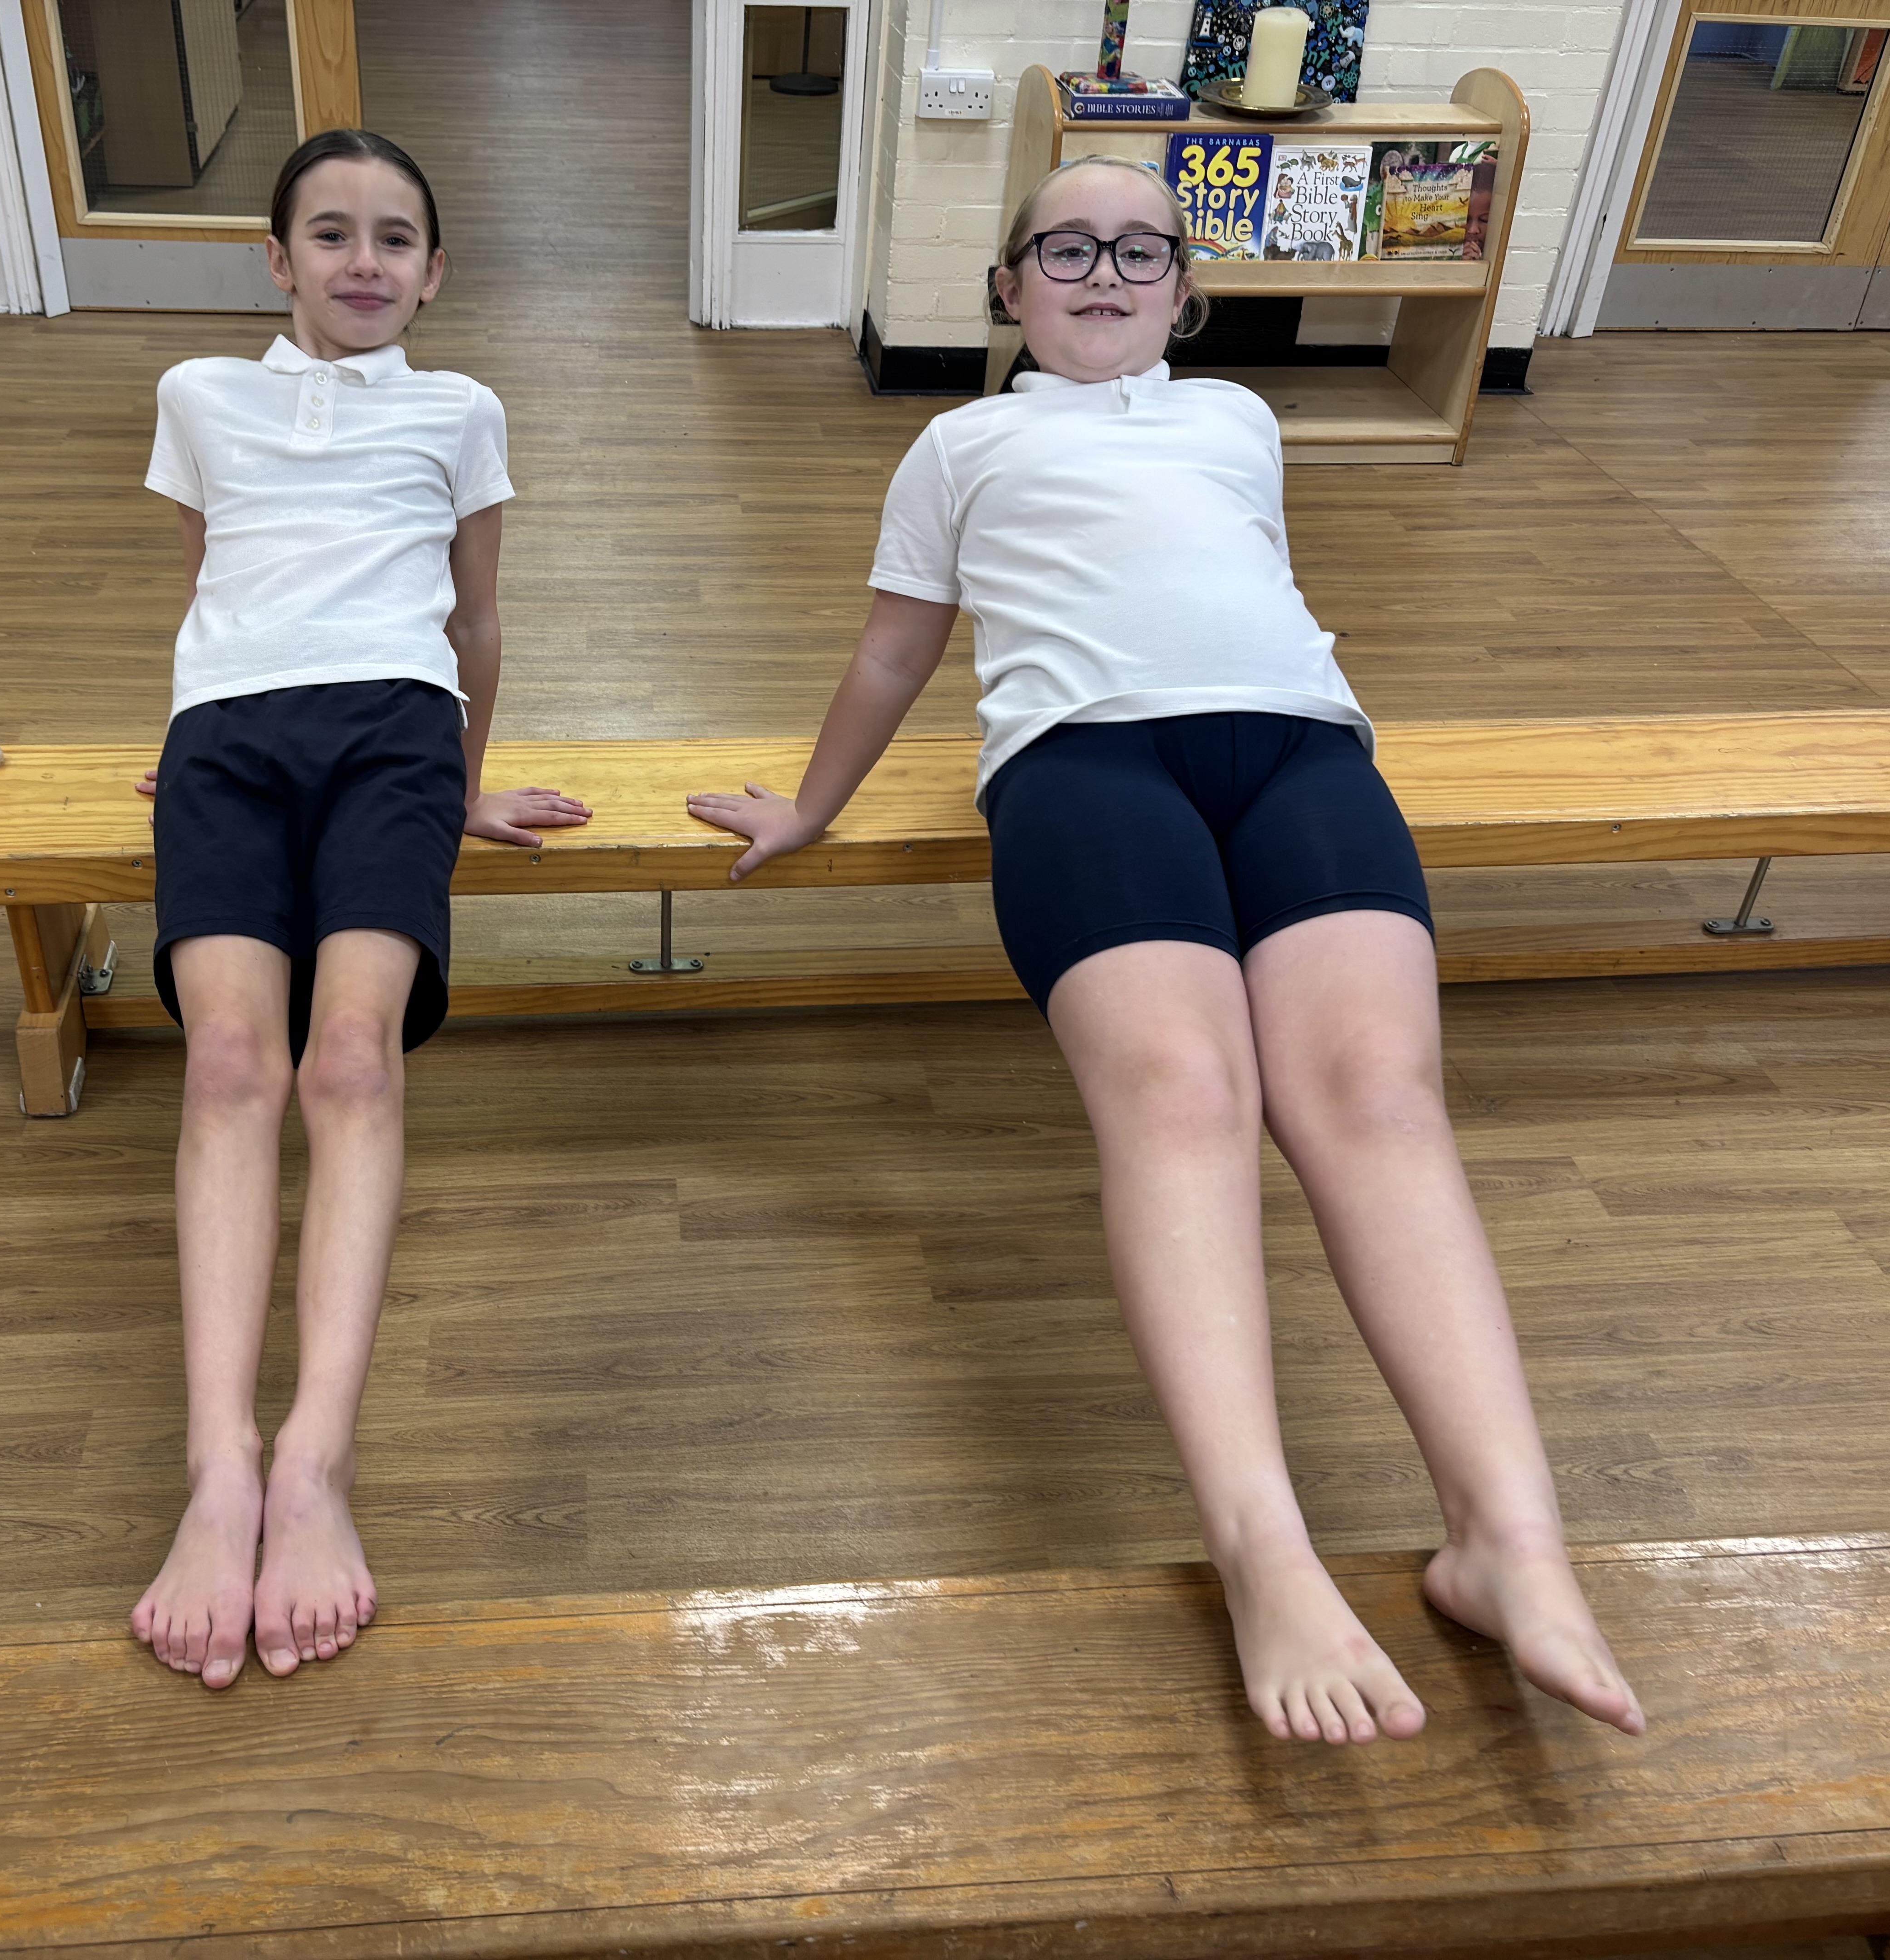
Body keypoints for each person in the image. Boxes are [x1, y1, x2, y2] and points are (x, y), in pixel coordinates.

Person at [688, 156, 1644, 1747]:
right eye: (1066, 247)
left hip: (1300, 751)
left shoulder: (1238, 419)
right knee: (1186, 1096)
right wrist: (808, 805)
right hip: (1084, 763)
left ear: (1186, 293)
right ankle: (1264, 1548)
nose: (1106, 273)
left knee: (1376, 1094)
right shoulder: (961, 444)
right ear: (1009, 287)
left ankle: (1511, 1541)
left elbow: (1250, 573)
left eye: (1143, 250)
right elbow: (894, 650)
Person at [129, 129, 587, 1690]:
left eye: (396, 238)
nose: (364, 260)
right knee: (225, 1061)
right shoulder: (201, 396)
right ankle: (221, 1468)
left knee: (350, 1058)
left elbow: (477, 618)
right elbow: (209, 578)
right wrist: (191, 731)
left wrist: (463, 784)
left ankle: (314, 1460)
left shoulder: (462, 412)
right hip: (228, 741)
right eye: (330, 233)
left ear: (435, 271)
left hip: (396, 733)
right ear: (277, 260)